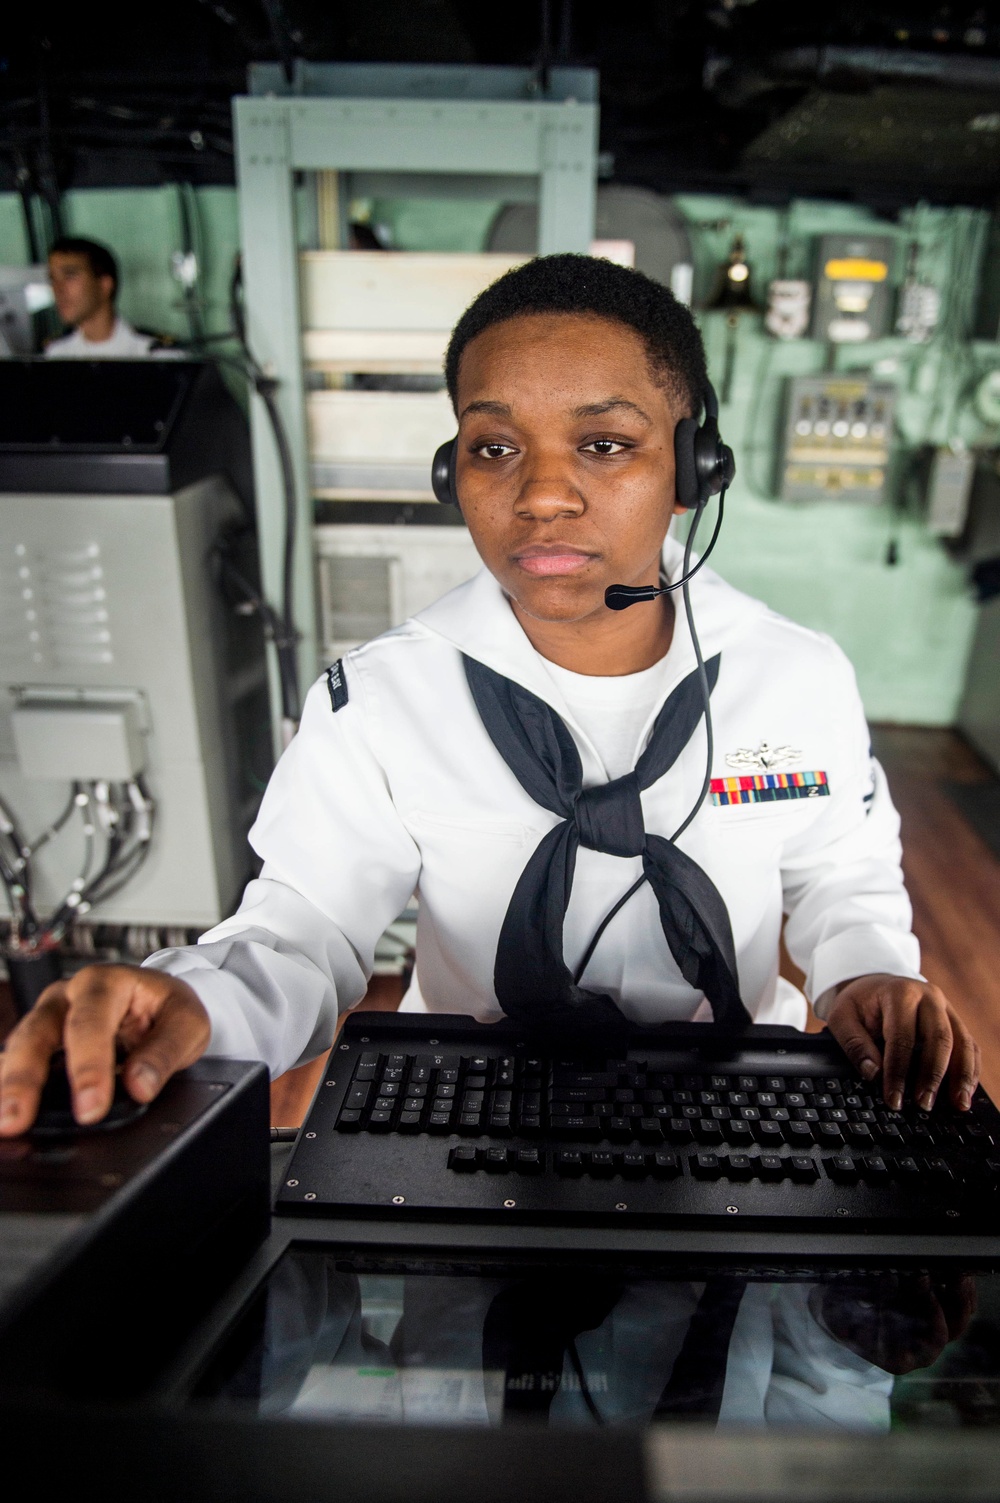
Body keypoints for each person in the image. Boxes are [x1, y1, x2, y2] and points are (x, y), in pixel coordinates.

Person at [0, 254, 980, 1135]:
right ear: (451, 469)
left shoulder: (794, 677)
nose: (541, 494)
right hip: (465, 1109)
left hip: (739, 1101)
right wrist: (198, 1000)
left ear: (692, 469)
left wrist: (868, 971)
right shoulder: (380, 699)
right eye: (493, 447)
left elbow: (837, 871)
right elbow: (304, 927)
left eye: (602, 444)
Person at [44, 236, 163, 358]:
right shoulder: (55, 353)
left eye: (70, 276)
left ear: (104, 284)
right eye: (52, 279)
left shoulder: (152, 352)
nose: (58, 289)